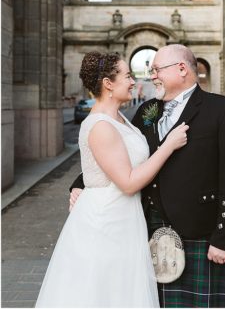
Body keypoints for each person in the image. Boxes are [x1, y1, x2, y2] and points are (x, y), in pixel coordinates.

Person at [69, 44, 225, 307]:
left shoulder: (223, 110)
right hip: (145, 229)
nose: (152, 75)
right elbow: (121, 155)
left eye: (157, 69)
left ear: (181, 69)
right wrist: (81, 184)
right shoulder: (146, 111)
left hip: (197, 231)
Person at [37, 52, 189, 307]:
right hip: (106, 222)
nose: (133, 81)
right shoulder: (100, 126)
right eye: (128, 75)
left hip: (124, 218)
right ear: (108, 83)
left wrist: (80, 183)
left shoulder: (120, 119)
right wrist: (168, 145)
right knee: (103, 293)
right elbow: (128, 182)